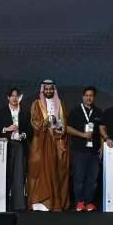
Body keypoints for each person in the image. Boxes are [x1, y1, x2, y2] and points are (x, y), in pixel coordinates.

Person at [28, 79, 70, 212]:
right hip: (42, 143)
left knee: (57, 171)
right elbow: (34, 122)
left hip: (57, 142)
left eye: (50, 89)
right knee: (40, 170)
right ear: (42, 90)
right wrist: (44, 123)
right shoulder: (36, 104)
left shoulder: (60, 104)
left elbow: (64, 123)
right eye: (46, 89)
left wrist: (58, 127)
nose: (48, 91)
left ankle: (56, 202)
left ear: (54, 90)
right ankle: (42, 201)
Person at [0, 87, 32, 212]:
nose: (15, 98)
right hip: (6, 145)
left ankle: (19, 205)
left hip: (20, 145)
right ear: (8, 97)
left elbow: (30, 130)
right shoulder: (2, 111)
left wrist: (24, 135)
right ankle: (2, 204)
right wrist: (6, 129)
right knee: (6, 174)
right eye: (12, 96)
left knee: (19, 175)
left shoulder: (25, 112)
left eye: (17, 96)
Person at [66, 86, 103, 212]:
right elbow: (68, 128)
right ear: (82, 97)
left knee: (92, 179)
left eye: (91, 96)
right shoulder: (75, 111)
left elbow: (102, 130)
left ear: (94, 97)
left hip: (94, 151)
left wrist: (102, 145)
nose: (88, 98)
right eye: (86, 95)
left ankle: (89, 202)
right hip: (79, 150)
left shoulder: (98, 112)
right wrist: (83, 135)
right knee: (79, 178)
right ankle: (79, 202)